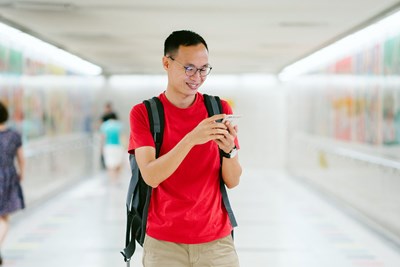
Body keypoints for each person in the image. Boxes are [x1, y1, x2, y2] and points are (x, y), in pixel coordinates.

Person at [128, 30, 242, 267]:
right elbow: (151, 176)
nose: (197, 77)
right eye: (189, 68)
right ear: (166, 63)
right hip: (163, 244)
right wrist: (191, 139)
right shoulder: (144, 113)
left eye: (203, 69)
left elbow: (232, 181)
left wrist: (229, 151)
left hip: (217, 242)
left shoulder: (219, 109)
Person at [0, 101, 25, 265]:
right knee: (3, 216)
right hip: (7, 176)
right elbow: (21, 159)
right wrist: (21, 174)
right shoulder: (14, 135)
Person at [100, 113, 124, 180]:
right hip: (118, 146)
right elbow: (121, 136)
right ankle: (117, 179)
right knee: (118, 163)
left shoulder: (104, 125)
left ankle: (112, 180)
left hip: (108, 147)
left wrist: (101, 148)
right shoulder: (119, 125)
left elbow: (103, 138)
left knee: (110, 165)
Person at [99, 102, 118, 169]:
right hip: (107, 140)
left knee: (112, 162)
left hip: (113, 141)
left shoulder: (113, 115)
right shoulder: (103, 116)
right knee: (108, 161)